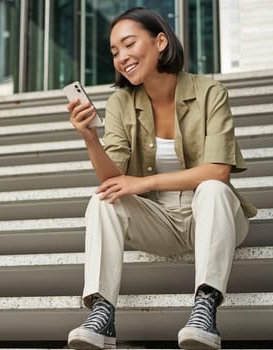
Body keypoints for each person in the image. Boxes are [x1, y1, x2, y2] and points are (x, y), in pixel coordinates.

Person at [65, 7, 257, 350]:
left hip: (213, 215)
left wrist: (143, 183)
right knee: (102, 198)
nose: (121, 57)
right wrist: (90, 137)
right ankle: (102, 313)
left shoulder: (210, 92)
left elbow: (218, 171)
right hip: (160, 221)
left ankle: (205, 308)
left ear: (161, 42)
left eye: (128, 44)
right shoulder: (121, 103)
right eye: (114, 52)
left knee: (212, 189)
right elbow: (115, 180)